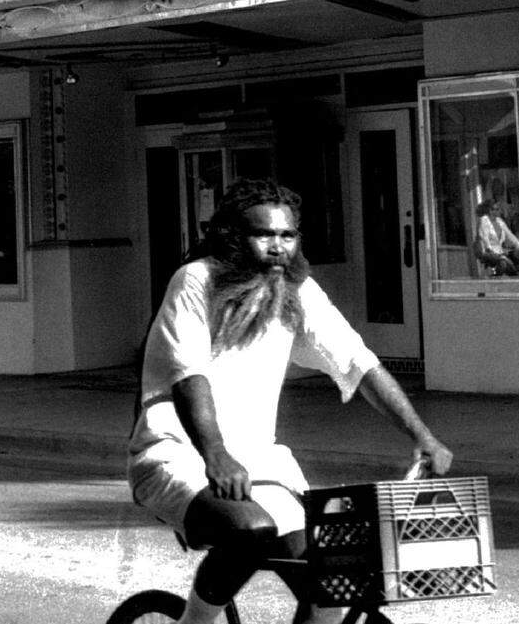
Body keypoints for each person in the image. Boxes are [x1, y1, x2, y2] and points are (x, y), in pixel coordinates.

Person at [128, 178, 452, 624]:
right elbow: (189, 375)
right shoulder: (195, 281)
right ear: (232, 237)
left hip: (263, 463)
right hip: (179, 455)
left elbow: (359, 361)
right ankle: (195, 622)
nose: (278, 247)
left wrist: (422, 436)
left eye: (287, 235)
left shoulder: (297, 291)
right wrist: (217, 455)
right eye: (263, 235)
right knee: (251, 530)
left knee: (333, 587)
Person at [473, 198, 519, 277]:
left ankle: (512, 277)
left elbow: (510, 235)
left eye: (497, 209)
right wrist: (491, 250)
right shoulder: (484, 220)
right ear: (487, 210)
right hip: (485, 251)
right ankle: (495, 280)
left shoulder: (499, 221)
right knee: (503, 262)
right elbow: (484, 237)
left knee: (514, 265)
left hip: (499, 252)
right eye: (493, 209)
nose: (495, 211)